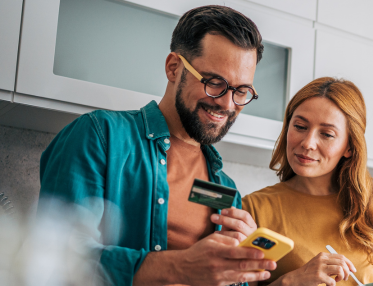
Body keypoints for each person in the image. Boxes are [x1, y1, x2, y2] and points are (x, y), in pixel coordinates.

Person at [38, 5, 275, 286]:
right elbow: (55, 257)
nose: (227, 103)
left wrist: (241, 270)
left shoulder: (224, 191)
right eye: (214, 83)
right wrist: (179, 267)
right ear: (174, 68)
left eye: (241, 91)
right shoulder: (100, 136)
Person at [242, 77, 373, 286]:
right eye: (300, 126)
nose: (308, 143)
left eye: (327, 134)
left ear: (349, 147)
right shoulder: (253, 210)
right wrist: (290, 282)